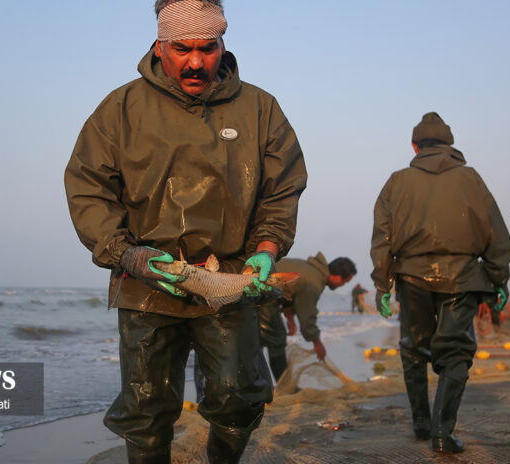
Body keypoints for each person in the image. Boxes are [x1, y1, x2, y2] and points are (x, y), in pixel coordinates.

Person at [64, 1, 307, 462]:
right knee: (146, 409)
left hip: (231, 277)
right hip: (147, 280)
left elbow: (283, 190)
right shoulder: (120, 109)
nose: (195, 61)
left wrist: (269, 247)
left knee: (240, 399)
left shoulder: (261, 108)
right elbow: (88, 189)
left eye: (207, 48)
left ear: (222, 45)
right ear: (160, 45)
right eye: (181, 48)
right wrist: (127, 254)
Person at [370, 112, 510, 454]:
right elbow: (494, 232)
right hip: (462, 277)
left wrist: (382, 284)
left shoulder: (396, 181)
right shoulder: (472, 179)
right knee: (456, 354)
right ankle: (441, 432)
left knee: (414, 349)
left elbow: (382, 238)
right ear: (450, 146)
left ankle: (420, 424)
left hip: (411, 278)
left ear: (415, 146)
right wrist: (499, 278)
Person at [258, 253, 356, 382]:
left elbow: (291, 289)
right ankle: (283, 388)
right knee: (275, 339)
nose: (343, 285)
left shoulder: (311, 269)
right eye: (345, 281)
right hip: (260, 293)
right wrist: (316, 341)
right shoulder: (314, 281)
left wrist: (289, 315)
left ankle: (258, 386)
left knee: (257, 340)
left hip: (260, 290)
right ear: (337, 277)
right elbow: (307, 315)